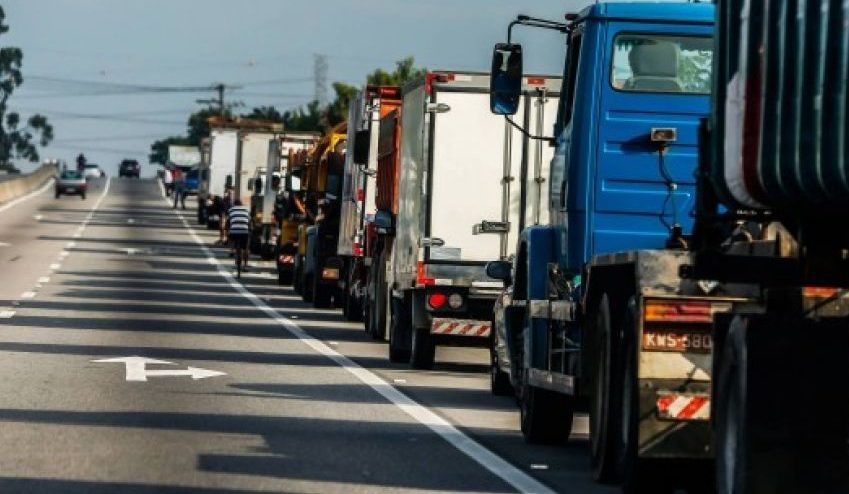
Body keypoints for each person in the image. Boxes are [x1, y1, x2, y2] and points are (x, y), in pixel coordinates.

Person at [227, 199, 251, 270]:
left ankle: (232, 250)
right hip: (244, 232)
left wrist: (228, 230)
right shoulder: (247, 210)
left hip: (234, 232)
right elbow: (249, 221)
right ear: (241, 204)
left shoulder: (231, 210)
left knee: (231, 237)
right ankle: (245, 265)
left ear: (234, 204)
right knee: (246, 248)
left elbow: (228, 221)